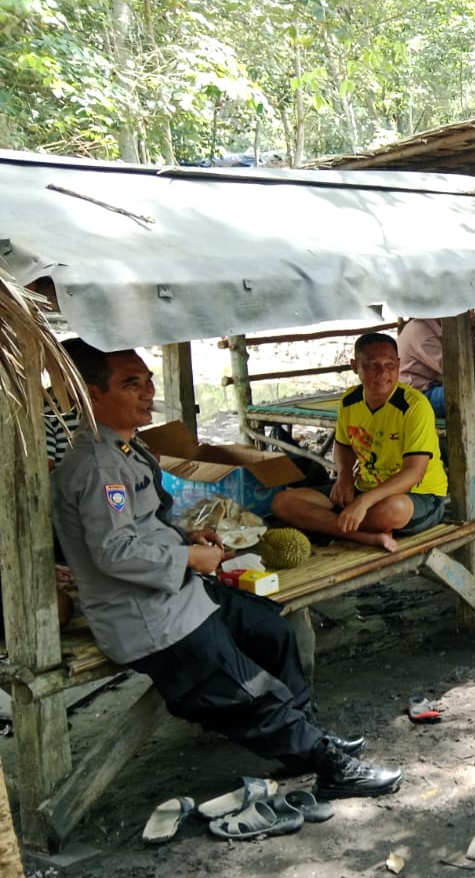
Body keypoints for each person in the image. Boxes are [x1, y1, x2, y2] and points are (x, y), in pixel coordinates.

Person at [51, 341, 402, 798]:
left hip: (181, 591)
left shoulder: (127, 448)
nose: (147, 391)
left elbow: (143, 525)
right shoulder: (98, 467)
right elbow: (115, 552)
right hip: (150, 619)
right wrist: (187, 559)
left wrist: (186, 539)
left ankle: (305, 736)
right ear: (91, 395)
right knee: (246, 686)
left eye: (147, 379)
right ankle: (328, 765)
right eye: (130, 384)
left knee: (269, 628)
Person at [272, 332, 449, 552]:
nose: (383, 373)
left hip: (419, 497)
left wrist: (362, 503)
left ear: (399, 365)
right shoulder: (350, 401)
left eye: (390, 365)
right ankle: (367, 536)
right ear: (355, 366)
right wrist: (344, 477)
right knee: (283, 501)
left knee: (393, 509)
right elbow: (343, 445)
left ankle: (332, 524)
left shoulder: (414, 405)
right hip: (362, 489)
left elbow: (414, 473)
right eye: (373, 365)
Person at [396, 313, 475, 420]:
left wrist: (469, 329)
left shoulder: (439, 325)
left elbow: (466, 349)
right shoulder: (418, 329)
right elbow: (451, 368)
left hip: (434, 387)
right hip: (417, 396)